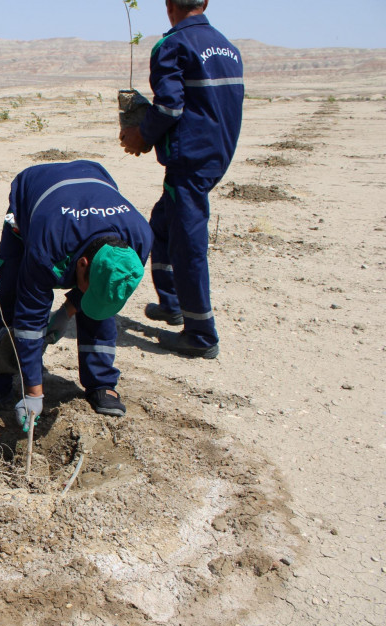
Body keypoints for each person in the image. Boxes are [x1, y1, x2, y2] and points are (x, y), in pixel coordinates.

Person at [0, 161, 151, 424]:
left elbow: (107, 289)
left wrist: (68, 309)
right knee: (11, 294)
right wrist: (34, 392)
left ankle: (101, 382)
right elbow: (30, 318)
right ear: (81, 264)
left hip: (89, 184)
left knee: (103, 296)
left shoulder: (139, 239)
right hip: (34, 200)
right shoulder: (46, 247)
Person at [119, 0, 244, 358]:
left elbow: (170, 106)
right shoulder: (227, 47)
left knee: (188, 245)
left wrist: (142, 135)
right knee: (162, 224)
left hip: (190, 160)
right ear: (204, 2)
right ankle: (172, 304)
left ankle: (201, 335)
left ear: (168, 4)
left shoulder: (173, 45)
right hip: (216, 155)